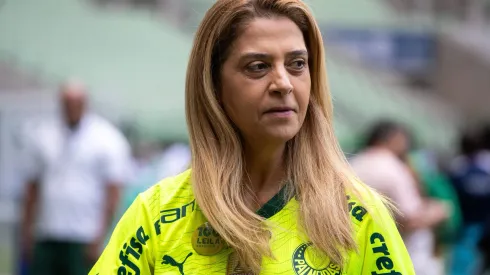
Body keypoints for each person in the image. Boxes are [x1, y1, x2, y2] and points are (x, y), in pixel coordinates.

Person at [90, 1, 414, 274]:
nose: (283, 83)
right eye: (258, 66)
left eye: (297, 64)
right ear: (213, 87)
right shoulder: (156, 215)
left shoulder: (359, 216)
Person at [21, 80, 132, 275]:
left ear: (85, 103)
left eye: (77, 102)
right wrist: (27, 232)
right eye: (67, 102)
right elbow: (32, 188)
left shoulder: (106, 138)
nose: (71, 107)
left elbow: (114, 193)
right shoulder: (43, 135)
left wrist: (101, 237)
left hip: (84, 235)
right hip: (48, 232)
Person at [350, 121, 449, 275]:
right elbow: (410, 217)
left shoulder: (355, 161)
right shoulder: (393, 167)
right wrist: (438, 212)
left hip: (357, 246)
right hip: (392, 253)